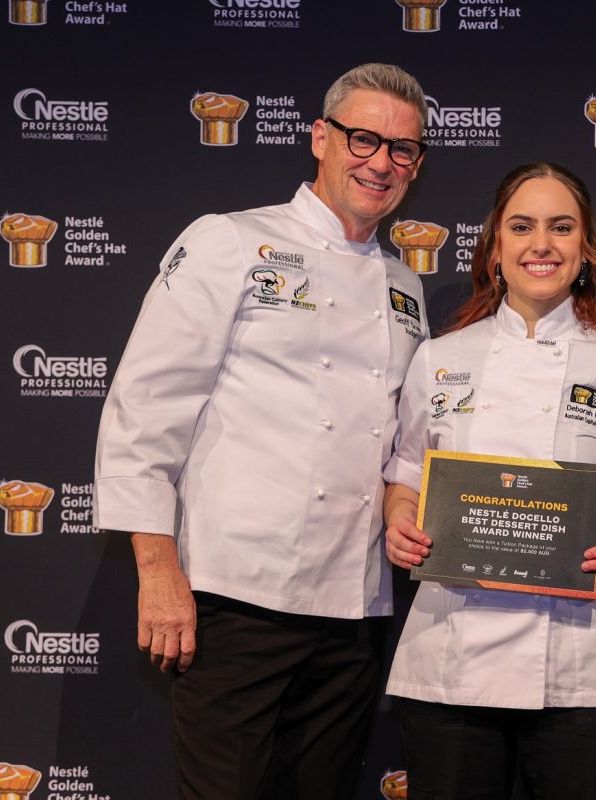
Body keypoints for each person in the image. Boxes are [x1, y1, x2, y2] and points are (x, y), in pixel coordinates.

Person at [93, 63, 430, 800]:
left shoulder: (405, 287)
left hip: (353, 609)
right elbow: (142, 412)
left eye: (402, 149)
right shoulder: (230, 242)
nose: (381, 161)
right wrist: (157, 572)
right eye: (364, 138)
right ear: (319, 137)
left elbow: (404, 445)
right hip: (234, 600)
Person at [382, 162, 596, 800]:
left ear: (585, 249)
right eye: (521, 226)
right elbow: (408, 474)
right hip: (453, 658)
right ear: (495, 246)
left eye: (561, 227)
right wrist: (398, 522)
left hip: (587, 663)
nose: (541, 244)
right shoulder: (441, 359)